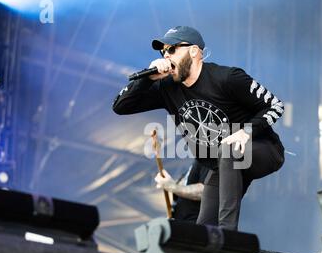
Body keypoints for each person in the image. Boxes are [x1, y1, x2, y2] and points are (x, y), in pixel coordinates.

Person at [113, 26, 285, 231]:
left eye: (172, 49)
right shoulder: (166, 88)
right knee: (204, 232)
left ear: (194, 51)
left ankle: (229, 237)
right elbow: (120, 106)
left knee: (228, 149)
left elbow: (275, 105)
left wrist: (245, 131)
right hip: (221, 166)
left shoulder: (227, 78)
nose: (166, 56)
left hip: (262, 150)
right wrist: (146, 79)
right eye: (163, 52)